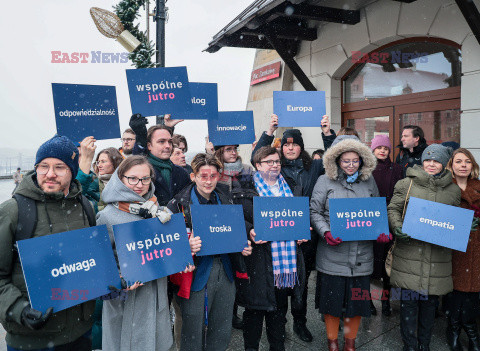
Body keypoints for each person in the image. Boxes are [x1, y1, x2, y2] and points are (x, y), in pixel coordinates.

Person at [0, 135, 96, 350]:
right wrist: (19, 309)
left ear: (72, 170)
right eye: (43, 166)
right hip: (31, 339)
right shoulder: (13, 211)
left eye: (59, 167)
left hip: (80, 334)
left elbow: (89, 264)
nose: (50, 174)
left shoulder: (85, 206)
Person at [250, 114, 335, 342]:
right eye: (286, 144)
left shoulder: (314, 167)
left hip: (304, 237)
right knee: (278, 285)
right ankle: (281, 323)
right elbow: (255, 157)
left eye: (294, 143)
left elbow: (333, 157)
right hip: (278, 237)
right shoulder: (275, 170)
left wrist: (327, 133)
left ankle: (300, 322)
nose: (290, 148)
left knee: (300, 285)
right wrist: (269, 132)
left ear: (301, 147)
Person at [97, 155, 183, 351]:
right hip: (127, 299)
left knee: (156, 342)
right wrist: (119, 279)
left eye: (145, 179)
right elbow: (101, 265)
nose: (139, 184)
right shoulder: (107, 216)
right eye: (132, 178)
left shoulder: (158, 212)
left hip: (155, 294)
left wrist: (184, 251)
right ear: (120, 178)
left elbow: (166, 251)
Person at [167, 153, 252, 351]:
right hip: (195, 273)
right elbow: (168, 245)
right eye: (203, 176)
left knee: (221, 325)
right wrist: (185, 246)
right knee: (192, 327)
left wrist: (243, 245)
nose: (208, 181)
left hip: (226, 269)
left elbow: (234, 232)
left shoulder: (225, 198)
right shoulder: (178, 204)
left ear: (219, 176)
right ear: (193, 176)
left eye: (213, 176)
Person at [310, 135, 381, 351]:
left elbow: (376, 211)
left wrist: (379, 230)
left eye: (355, 160)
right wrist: (326, 232)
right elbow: (315, 210)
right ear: (337, 160)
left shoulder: (369, 181)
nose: (350, 165)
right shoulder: (324, 180)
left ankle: (350, 343)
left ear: (362, 160)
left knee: (356, 304)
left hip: (361, 255)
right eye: (345, 160)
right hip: (333, 253)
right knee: (331, 304)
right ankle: (333, 342)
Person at [388, 144, 461, 351]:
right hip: (409, 254)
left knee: (429, 307)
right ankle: (409, 345)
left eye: (436, 160)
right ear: (422, 161)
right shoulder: (406, 184)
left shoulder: (453, 190)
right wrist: (397, 227)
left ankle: (424, 344)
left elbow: (453, 220)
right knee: (409, 305)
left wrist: (463, 227)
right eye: (428, 159)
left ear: (444, 164)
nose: (431, 164)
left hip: (437, 259)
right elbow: (393, 208)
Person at [236, 146, 306, 351]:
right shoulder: (245, 188)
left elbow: (297, 217)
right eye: (269, 162)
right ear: (258, 165)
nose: (275, 165)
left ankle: (278, 347)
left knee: (278, 312)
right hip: (258, 260)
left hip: (285, 264)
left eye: (277, 161)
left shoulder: (292, 186)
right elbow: (237, 220)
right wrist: (249, 230)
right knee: (254, 312)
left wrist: (301, 230)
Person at [445, 148, 480, 351]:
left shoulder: (478, 187)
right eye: (459, 161)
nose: (463, 165)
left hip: (476, 247)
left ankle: (471, 329)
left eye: (467, 161)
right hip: (454, 247)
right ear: (452, 165)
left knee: (472, 292)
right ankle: (454, 329)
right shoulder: (446, 189)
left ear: (472, 165)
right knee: (456, 291)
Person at [370, 135, 403, 317]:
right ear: (373, 150)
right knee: (370, 260)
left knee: (388, 263)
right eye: (379, 148)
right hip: (371, 219)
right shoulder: (367, 169)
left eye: (386, 148)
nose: (382, 151)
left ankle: (386, 299)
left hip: (390, 218)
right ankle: (367, 299)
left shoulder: (397, 169)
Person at [129, 114, 191, 206]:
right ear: (149, 146)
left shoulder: (182, 173)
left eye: (170, 142)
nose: (167, 146)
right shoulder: (143, 171)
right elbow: (137, 160)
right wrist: (140, 136)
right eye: (161, 142)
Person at [76, 140, 123, 212]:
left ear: (115, 162)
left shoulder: (125, 181)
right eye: (98, 162)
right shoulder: (93, 182)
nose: (99, 165)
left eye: (103, 161)